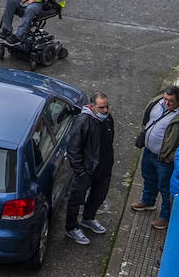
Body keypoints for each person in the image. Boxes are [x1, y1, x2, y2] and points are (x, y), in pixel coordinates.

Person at [132, 85, 179, 230]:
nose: (166, 103)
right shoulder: (157, 103)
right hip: (148, 152)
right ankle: (148, 201)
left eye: (170, 101)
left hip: (165, 160)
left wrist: (170, 157)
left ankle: (165, 217)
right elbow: (147, 119)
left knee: (165, 188)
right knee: (148, 178)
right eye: (165, 99)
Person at [65, 92, 115, 245]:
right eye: (101, 108)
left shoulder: (107, 119)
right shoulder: (83, 121)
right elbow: (73, 149)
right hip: (86, 171)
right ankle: (71, 227)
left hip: (103, 169)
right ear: (92, 107)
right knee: (76, 199)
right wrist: (81, 171)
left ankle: (88, 219)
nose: (105, 110)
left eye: (107, 106)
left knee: (98, 196)